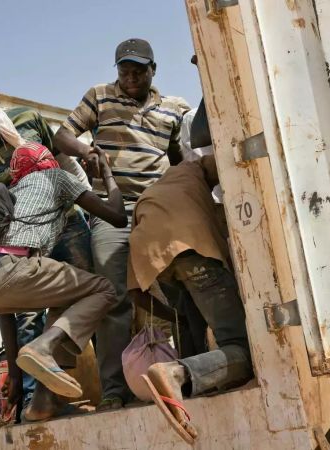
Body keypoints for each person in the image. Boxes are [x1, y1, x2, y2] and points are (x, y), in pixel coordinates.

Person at [0, 83, 94, 415]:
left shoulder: (26, 118)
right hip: (21, 238)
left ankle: (110, 386)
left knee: (85, 293)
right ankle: (35, 400)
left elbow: (59, 157)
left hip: (66, 220)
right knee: (27, 313)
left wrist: (83, 194)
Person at [53, 38, 191, 410]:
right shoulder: (99, 97)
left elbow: (180, 160)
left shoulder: (175, 110)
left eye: (138, 71)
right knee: (112, 298)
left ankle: (189, 372)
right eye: (124, 71)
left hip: (157, 208)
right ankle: (114, 389)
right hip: (111, 213)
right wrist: (87, 151)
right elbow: (61, 135)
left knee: (180, 289)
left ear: (153, 70)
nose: (130, 78)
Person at [0, 143, 127, 421]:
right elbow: (117, 216)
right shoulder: (55, 177)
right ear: (48, 162)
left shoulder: (7, 197)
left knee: (68, 298)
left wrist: (16, 376)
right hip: (9, 268)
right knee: (102, 289)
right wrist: (106, 174)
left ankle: (43, 402)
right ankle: (42, 348)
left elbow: (6, 307)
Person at [127, 156, 253, 444]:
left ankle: (195, 386)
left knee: (190, 311)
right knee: (242, 347)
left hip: (157, 259)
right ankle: (176, 373)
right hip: (192, 248)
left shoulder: (154, 191)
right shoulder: (193, 168)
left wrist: (178, 317)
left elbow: (135, 293)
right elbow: (229, 161)